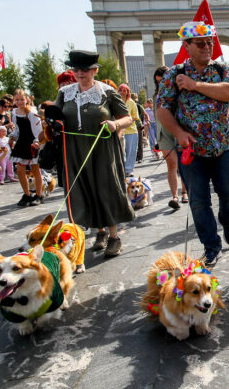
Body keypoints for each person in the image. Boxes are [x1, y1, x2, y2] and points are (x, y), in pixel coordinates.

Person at [157, 21, 229, 267]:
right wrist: (178, 133)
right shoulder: (174, 74)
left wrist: (195, 85)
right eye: (200, 43)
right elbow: (162, 109)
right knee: (198, 201)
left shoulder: (223, 68)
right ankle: (211, 246)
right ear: (187, 46)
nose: (206, 47)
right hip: (192, 151)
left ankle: (227, 221)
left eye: (209, 42)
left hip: (224, 147)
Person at [56, 50, 135, 257]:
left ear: (94, 70)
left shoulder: (107, 92)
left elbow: (127, 118)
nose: (79, 73)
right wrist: (53, 123)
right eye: (76, 69)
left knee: (106, 189)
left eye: (84, 69)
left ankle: (114, 237)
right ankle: (99, 232)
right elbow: (55, 116)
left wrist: (115, 124)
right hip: (74, 149)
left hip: (103, 149)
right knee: (84, 190)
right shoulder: (65, 93)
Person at [154, 66, 189, 208]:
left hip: (179, 130)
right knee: (171, 164)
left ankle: (185, 192)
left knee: (184, 164)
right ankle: (174, 196)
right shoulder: (156, 96)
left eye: (162, 80)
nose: (160, 84)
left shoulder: (181, 93)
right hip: (164, 133)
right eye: (158, 82)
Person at [9, 89, 44, 206]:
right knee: (20, 171)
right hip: (21, 142)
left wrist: (37, 141)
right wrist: (13, 136)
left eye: (22, 99)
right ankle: (27, 194)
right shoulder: (15, 112)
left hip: (32, 142)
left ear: (26, 100)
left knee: (35, 169)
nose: (19, 102)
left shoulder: (32, 113)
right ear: (14, 100)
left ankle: (39, 195)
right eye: (17, 100)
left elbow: (38, 130)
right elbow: (17, 128)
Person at [117, 84, 140, 177]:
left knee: (131, 151)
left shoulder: (131, 102)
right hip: (119, 131)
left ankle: (129, 169)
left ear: (127, 92)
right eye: (120, 90)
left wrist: (126, 122)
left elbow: (135, 116)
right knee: (121, 152)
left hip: (131, 131)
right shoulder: (116, 101)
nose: (122, 92)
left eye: (124, 90)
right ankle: (122, 170)